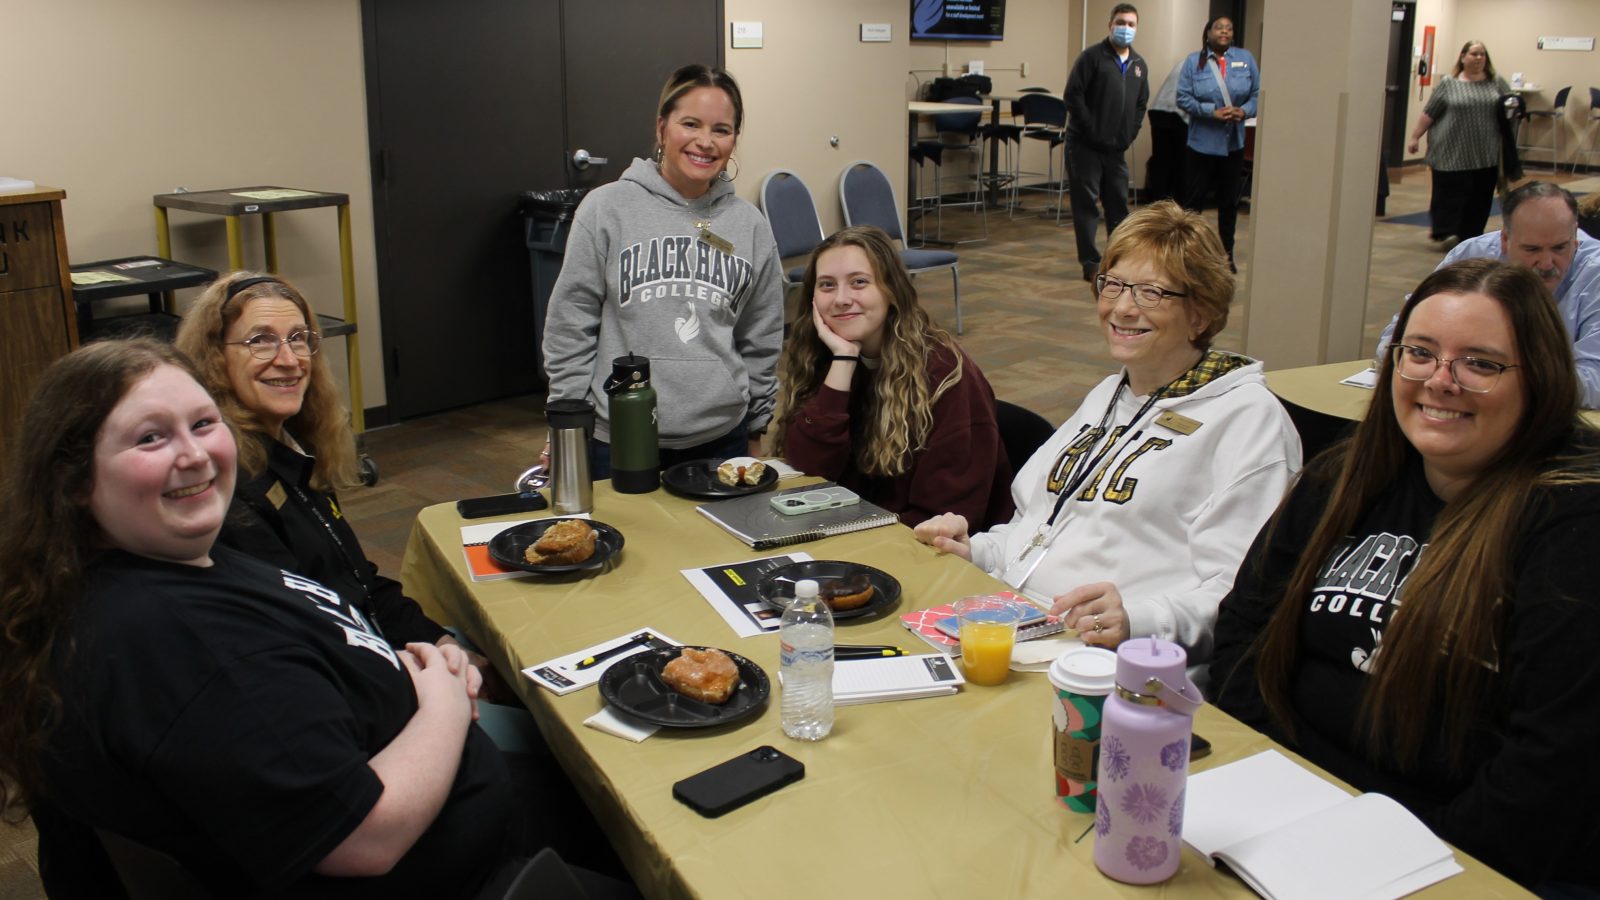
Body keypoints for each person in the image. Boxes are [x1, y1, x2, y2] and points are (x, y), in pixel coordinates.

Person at [0, 339, 519, 897]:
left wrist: (395, 663)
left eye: (202, 423)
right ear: (75, 480)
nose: (194, 454)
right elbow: (365, 838)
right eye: (150, 437)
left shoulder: (173, 556)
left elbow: (289, 667)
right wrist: (442, 701)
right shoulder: (184, 644)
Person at [1211, 259, 1600, 891]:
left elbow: (1553, 770)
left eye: (1481, 363)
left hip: (1449, 856)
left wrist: (1406, 855)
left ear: (1542, 379)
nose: (1440, 381)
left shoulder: (1574, 521)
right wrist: (1277, 780)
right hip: (1287, 812)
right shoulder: (1346, 477)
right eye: (1419, 353)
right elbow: (1245, 633)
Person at [913, 201, 1301, 668]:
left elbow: (1240, 597)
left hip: (1121, 666)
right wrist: (976, 549)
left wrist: (1136, 619)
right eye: (1113, 284)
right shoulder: (1111, 393)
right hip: (1026, 625)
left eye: (1151, 293)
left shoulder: (1248, 421)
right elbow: (1037, 528)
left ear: (1200, 314)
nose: (1121, 307)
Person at [174, 273, 492, 672]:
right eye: (260, 340)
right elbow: (305, 636)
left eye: (298, 338)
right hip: (353, 680)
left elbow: (359, 583)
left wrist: (443, 643)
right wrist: (431, 675)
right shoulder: (228, 488)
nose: (289, 360)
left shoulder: (292, 452)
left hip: (374, 644)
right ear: (215, 358)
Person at [542, 63, 784, 475]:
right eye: (690, 123)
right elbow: (570, 323)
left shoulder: (751, 226)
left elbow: (761, 335)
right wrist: (567, 422)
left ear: (734, 140)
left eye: (721, 130)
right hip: (617, 436)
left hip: (722, 437)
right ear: (661, 128)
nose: (705, 142)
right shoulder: (606, 209)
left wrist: (757, 423)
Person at [773, 225, 1014, 530]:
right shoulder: (826, 356)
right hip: (853, 524)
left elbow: (944, 516)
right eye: (827, 285)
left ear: (891, 289)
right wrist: (844, 360)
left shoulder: (945, 375)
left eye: (859, 282)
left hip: (924, 547)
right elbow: (809, 468)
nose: (842, 299)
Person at [1376, 181, 1600, 407]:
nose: (1546, 263)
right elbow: (1396, 338)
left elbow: (1595, 381)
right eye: (1532, 249)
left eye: (1560, 248)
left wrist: (1494, 383)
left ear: (1575, 239)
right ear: (1505, 240)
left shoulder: (1595, 272)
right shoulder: (1472, 255)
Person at [1063, 3, 1149, 284]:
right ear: (1110, 24)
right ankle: (1089, 261)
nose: (1126, 28)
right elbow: (1073, 96)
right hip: (1085, 145)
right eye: (1121, 22)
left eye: (1131, 24)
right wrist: (1092, 129)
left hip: (1116, 149)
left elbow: (1140, 104)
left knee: (1118, 206)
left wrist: (1129, 134)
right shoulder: (1092, 58)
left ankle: (1118, 259)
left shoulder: (1138, 65)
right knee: (1086, 204)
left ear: (1137, 28)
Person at [1406, 41, 1511, 247]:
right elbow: (1430, 112)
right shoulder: (1449, 83)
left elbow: (1511, 103)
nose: (1479, 58)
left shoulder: (1496, 82)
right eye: (1474, 54)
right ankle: (1447, 232)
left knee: (1479, 198)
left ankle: (1470, 235)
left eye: (1482, 54)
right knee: (1450, 195)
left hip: (1484, 153)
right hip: (1451, 152)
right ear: (1463, 57)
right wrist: (1415, 137)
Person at [1177, 16, 1260, 273]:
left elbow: (1257, 93)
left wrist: (1244, 111)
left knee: (1229, 203)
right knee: (1193, 203)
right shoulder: (1194, 62)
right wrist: (1209, 111)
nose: (1224, 31)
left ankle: (1226, 255)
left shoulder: (1245, 59)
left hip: (1232, 144)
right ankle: (1188, 256)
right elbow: (1182, 97)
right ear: (1208, 32)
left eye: (1229, 28)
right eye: (1218, 28)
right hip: (1201, 143)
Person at [1145, 58, 1190, 204]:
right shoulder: (1204, 64)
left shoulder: (1187, 60)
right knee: (1181, 168)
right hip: (1177, 114)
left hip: (1159, 110)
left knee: (1161, 166)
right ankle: (1175, 211)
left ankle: (1159, 209)